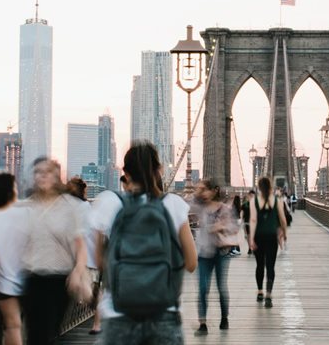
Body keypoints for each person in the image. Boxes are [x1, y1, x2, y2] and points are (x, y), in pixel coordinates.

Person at [95, 141, 197, 345]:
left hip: (118, 313)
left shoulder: (108, 202)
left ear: (126, 173)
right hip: (164, 313)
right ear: (158, 170)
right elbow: (191, 263)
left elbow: (100, 262)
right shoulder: (174, 205)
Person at [22, 157, 89, 345]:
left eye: (47, 172)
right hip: (31, 277)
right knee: (36, 334)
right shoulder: (27, 206)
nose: (42, 176)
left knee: (50, 331)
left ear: (57, 176)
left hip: (58, 279)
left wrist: (78, 270)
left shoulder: (70, 206)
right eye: (38, 172)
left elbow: (80, 244)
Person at [0, 173, 29, 345]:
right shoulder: (26, 213)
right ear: (11, 193)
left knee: (12, 326)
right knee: (33, 326)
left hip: (5, 282)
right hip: (31, 278)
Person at [192, 178, 238, 335]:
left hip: (220, 253)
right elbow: (186, 204)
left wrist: (221, 226)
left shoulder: (224, 208)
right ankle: (202, 323)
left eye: (204, 189)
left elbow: (234, 227)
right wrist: (196, 192)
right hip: (204, 252)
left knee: (221, 287)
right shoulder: (200, 207)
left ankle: (224, 318)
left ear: (213, 191)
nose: (202, 192)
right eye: (200, 189)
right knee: (203, 288)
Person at [66, 176, 103, 335]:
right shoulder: (86, 207)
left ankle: (97, 320)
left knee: (89, 292)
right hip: (89, 256)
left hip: (84, 257)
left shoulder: (76, 208)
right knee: (91, 290)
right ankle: (97, 321)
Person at [249, 177, 288, 308]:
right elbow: (282, 219)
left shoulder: (253, 201)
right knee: (270, 266)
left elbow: (253, 220)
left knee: (259, 265)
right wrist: (285, 233)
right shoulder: (277, 200)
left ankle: (260, 291)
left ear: (258, 187)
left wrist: (251, 238)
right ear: (271, 187)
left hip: (259, 236)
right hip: (272, 237)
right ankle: (268, 295)